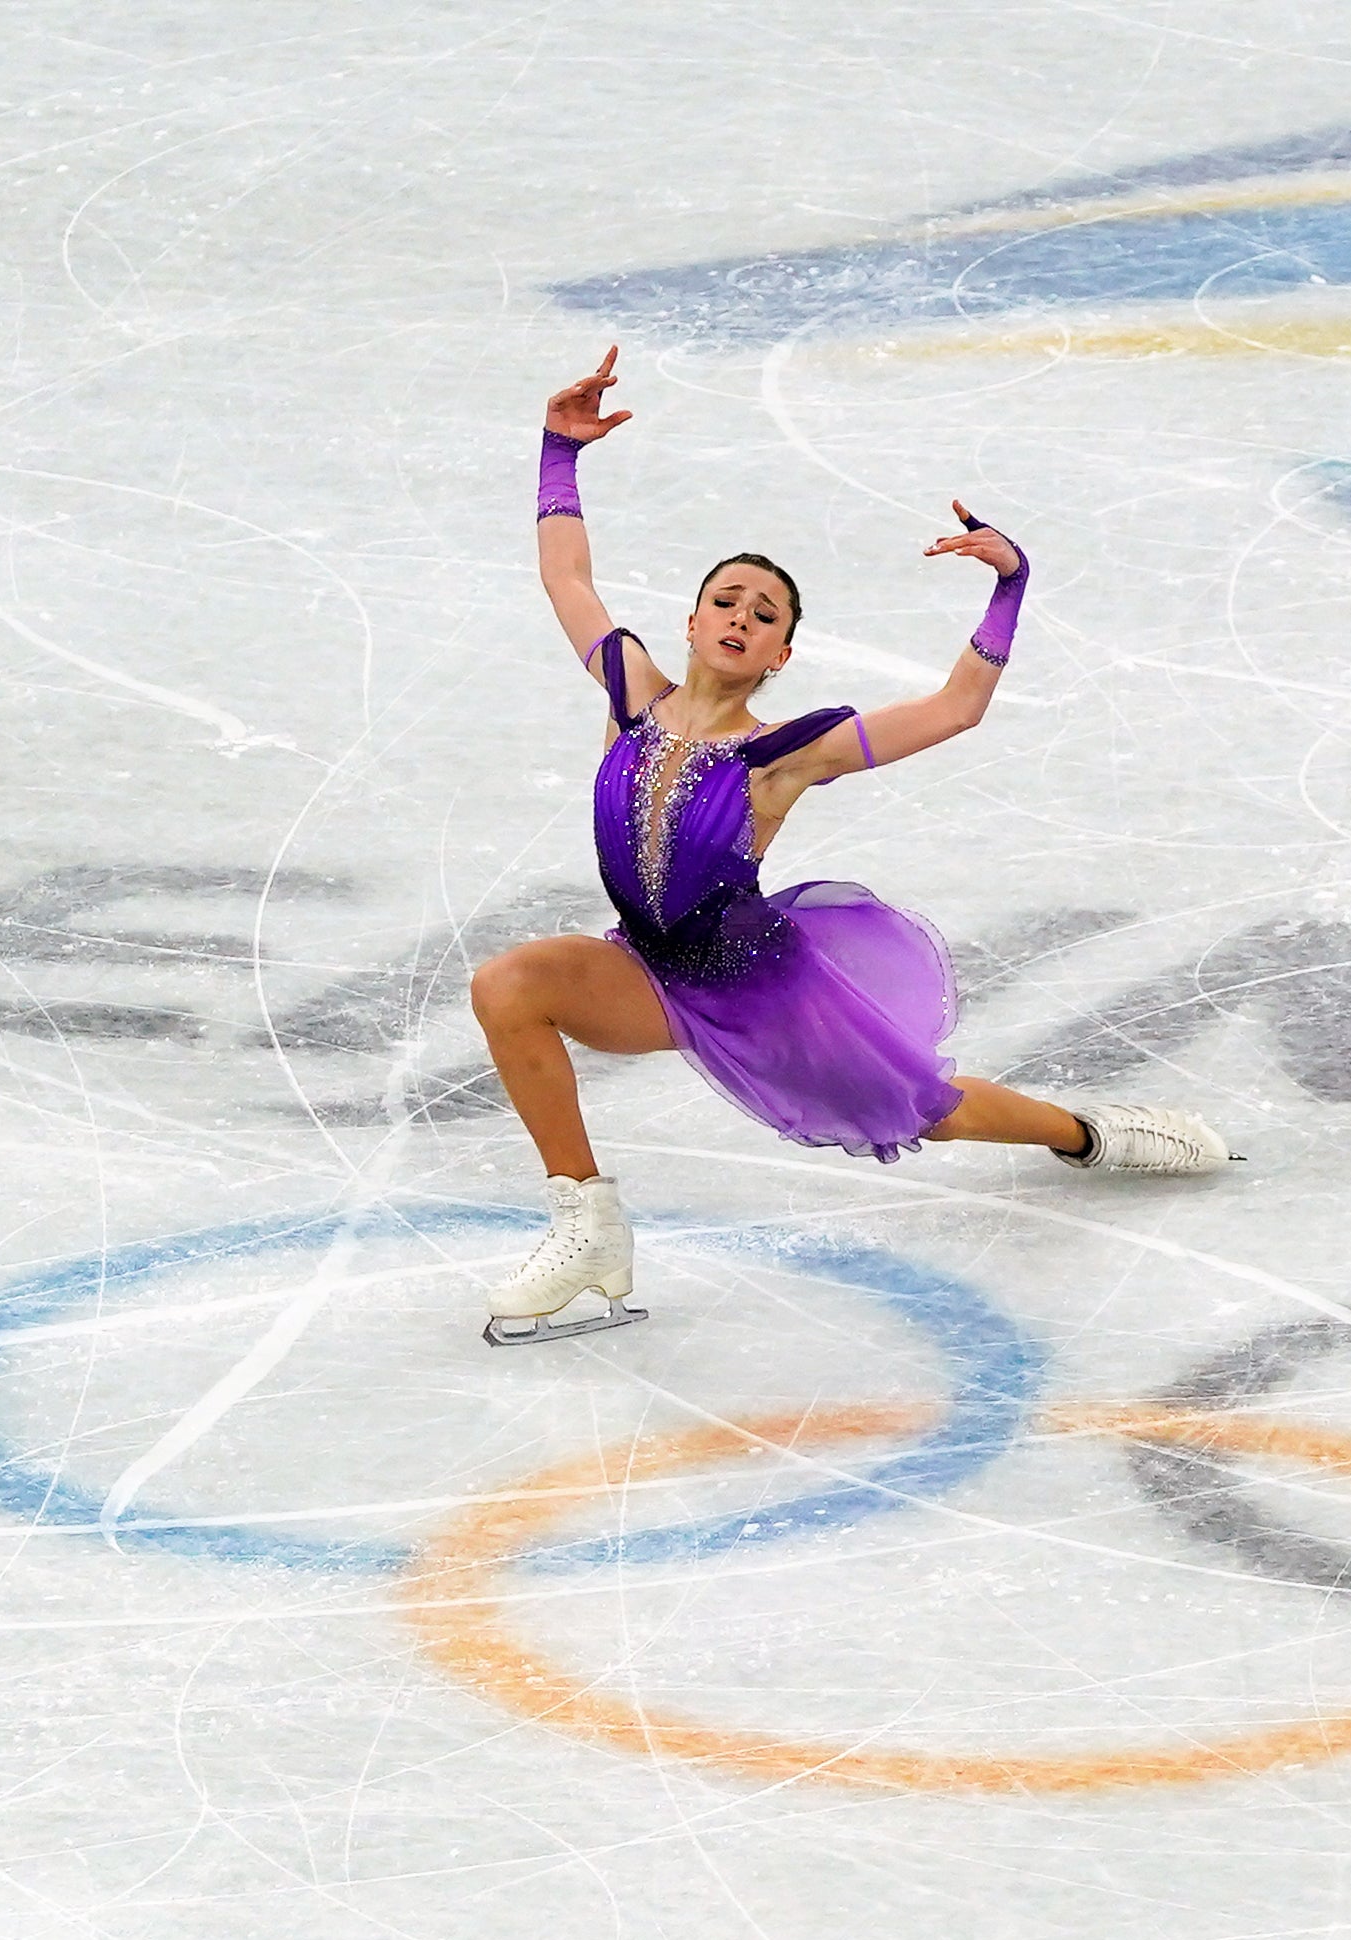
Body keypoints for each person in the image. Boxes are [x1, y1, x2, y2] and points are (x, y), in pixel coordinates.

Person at [467, 346, 1233, 1344]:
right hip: (648, 973)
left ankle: (1091, 1132)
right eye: (729, 600)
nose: (743, 615)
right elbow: (565, 572)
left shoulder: (780, 758)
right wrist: (558, 451)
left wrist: (1009, 581)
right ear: (693, 620)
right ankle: (589, 1221)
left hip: (764, 994)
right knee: (508, 985)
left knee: (931, 1109)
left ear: (780, 654)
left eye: (766, 613)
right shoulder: (628, 692)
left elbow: (957, 708)